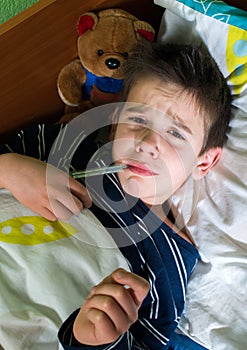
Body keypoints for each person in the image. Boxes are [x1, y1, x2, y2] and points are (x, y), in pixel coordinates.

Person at [0, 41, 232, 349]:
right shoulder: (65, 147)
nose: (149, 143)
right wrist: (7, 168)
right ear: (114, 125)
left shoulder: (167, 259)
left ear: (204, 162)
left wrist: (92, 339)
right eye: (138, 120)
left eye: (175, 134)